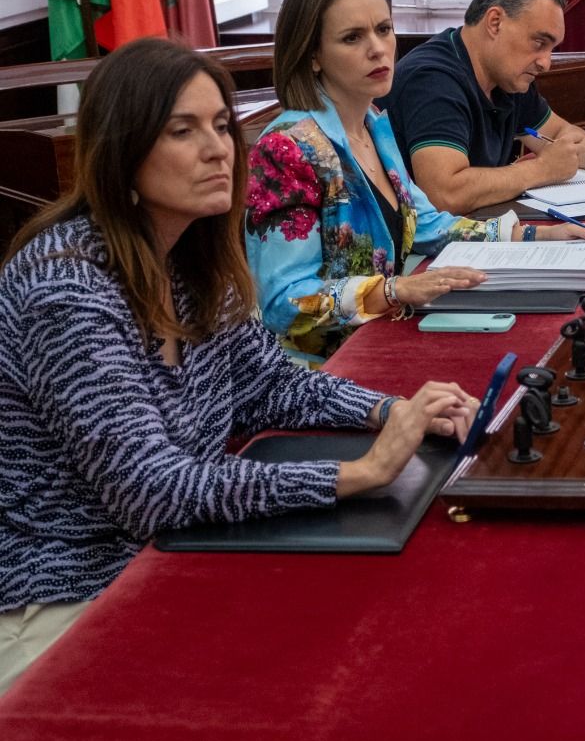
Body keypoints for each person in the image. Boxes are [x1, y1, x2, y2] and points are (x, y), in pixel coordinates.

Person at [0, 38, 480, 692]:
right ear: (123, 150)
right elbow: (153, 493)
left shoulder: (190, 253)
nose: (218, 148)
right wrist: (359, 472)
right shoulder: (67, 292)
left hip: (174, 555)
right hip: (69, 596)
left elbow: (269, 387)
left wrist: (390, 410)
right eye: (183, 130)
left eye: (222, 126)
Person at [246, 0, 585, 362]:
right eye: (352, 38)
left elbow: (426, 225)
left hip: (385, 337)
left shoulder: (372, 125)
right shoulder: (287, 149)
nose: (378, 49)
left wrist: (532, 236)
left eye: (384, 29)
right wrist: (393, 290)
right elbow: (283, 303)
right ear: (313, 54)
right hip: (321, 369)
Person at [383, 0, 585, 212]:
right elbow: (444, 194)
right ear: (495, 22)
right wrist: (541, 169)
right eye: (539, 42)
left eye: (551, 49)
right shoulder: (433, 80)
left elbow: (558, 136)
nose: (546, 63)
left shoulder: (506, 79)